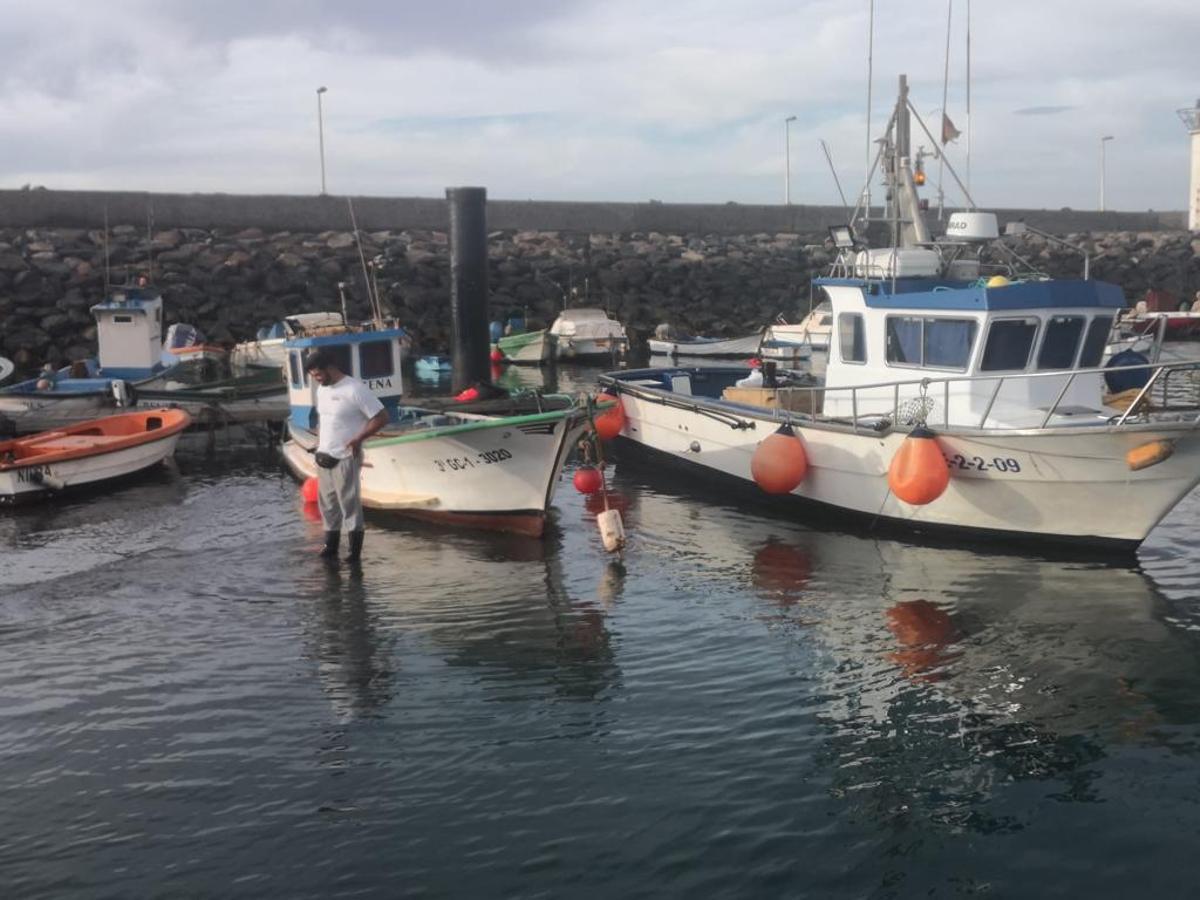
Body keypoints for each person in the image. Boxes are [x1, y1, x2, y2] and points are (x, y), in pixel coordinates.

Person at [304, 348, 389, 562]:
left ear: (330, 368)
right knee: (328, 506)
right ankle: (330, 546)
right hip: (324, 455)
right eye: (313, 376)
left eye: (318, 374)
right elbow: (325, 420)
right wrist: (319, 443)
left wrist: (359, 438)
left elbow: (381, 417)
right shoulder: (322, 389)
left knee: (349, 505)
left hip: (345, 456)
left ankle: (353, 553)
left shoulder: (354, 389)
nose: (316, 379)